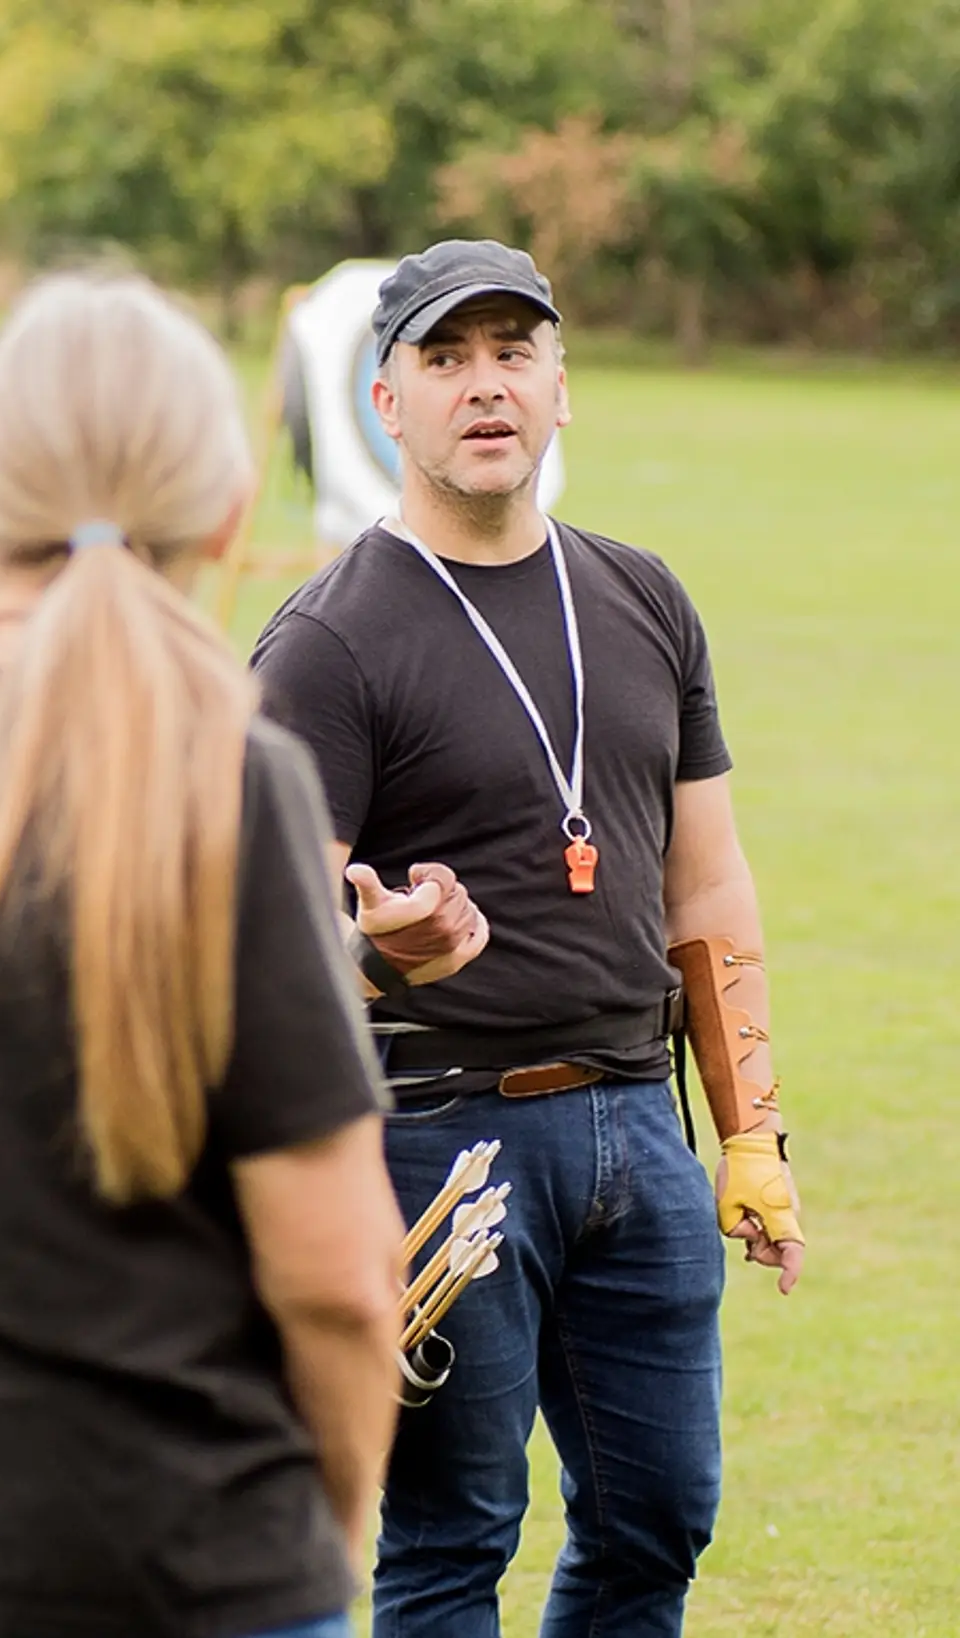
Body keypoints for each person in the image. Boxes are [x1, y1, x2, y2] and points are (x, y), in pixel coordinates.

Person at [0, 271, 482, 1638]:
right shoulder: (234, 782)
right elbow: (335, 1273)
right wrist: (330, 1530)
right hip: (210, 1564)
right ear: (224, 520)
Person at [250, 239, 806, 1638]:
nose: (483, 386)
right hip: (440, 1138)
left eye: (513, 351)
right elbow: (262, 940)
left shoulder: (646, 599)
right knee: (452, 1536)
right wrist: (385, 944)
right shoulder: (327, 640)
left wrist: (751, 1135)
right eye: (445, 358)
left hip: (643, 1127)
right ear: (386, 399)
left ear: (564, 385)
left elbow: (710, 887)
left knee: (659, 1521)